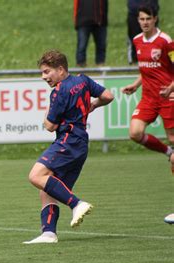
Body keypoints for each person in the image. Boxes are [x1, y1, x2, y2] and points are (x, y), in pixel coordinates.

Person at [23, 50, 114, 244]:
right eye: (42, 73)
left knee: (35, 176)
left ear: (61, 69)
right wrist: (94, 105)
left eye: (47, 72)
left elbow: (50, 126)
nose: (43, 77)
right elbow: (108, 96)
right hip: (80, 143)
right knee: (46, 188)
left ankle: (76, 204)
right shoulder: (83, 80)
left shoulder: (59, 90)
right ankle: (49, 233)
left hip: (68, 141)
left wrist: (47, 110)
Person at [121, 6, 174, 224]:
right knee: (135, 132)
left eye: (148, 19)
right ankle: (167, 151)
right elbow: (146, 70)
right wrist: (135, 85)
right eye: (141, 19)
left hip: (168, 97)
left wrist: (171, 88)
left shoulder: (166, 41)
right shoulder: (136, 40)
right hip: (149, 98)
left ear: (155, 19)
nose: (144, 22)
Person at [73, 0, 108, 67]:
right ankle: (80, 65)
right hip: (83, 22)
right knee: (82, 46)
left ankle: (100, 65)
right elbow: (76, 5)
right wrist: (76, 21)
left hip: (100, 22)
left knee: (101, 45)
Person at [127, 0, 159, 64]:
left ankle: (152, 61)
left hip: (151, 10)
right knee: (134, 38)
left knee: (153, 38)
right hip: (134, 11)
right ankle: (134, 60)